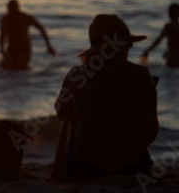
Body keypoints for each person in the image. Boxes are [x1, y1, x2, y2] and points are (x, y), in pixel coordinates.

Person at [52, 14, 159, 182]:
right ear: (122, 45)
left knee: (71, 114)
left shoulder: (77, 75)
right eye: (128, 44)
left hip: (87, 166)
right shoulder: (141, 75)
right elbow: (151, 135)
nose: (130, 48)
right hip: (133, 166)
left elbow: (61, 113)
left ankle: (59, 173)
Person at [0, 0, 56, 70]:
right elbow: (2, 35)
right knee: (4, 68)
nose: (11, 12)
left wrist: (48, 46)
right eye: (10, 10)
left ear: (18, 8)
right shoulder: (5, 19)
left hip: (24, 50)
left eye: (13, 10)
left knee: (20, 68)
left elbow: (41, 29)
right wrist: (2, 50)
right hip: (11, 50)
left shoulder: (26, 18)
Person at [139, 3, 179, 67]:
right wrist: (168, 52)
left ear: (169, 13)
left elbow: (159, 40)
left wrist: (147, 51)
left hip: (173, 59)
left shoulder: (169, 26)